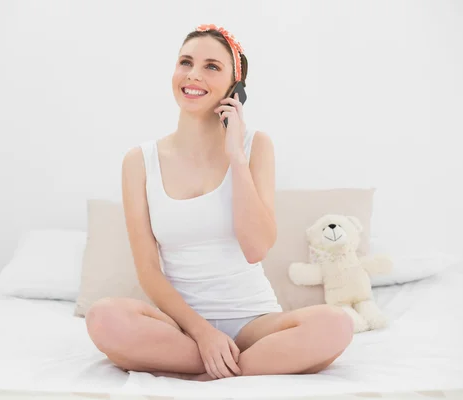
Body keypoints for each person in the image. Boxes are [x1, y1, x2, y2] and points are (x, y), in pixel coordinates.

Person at [85, 24, 354, 381]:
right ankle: (228, 363)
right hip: (179, 327)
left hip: (254, 322)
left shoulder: (255, 146)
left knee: (335, 325)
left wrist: (236, 157)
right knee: (103, 318)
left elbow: (256, 247)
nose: (194, 74)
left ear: (235, 87)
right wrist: (202, 332)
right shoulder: (138, 161)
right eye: (185, 62)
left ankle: (210, 367)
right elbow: (148, 270)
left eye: (212, 66)